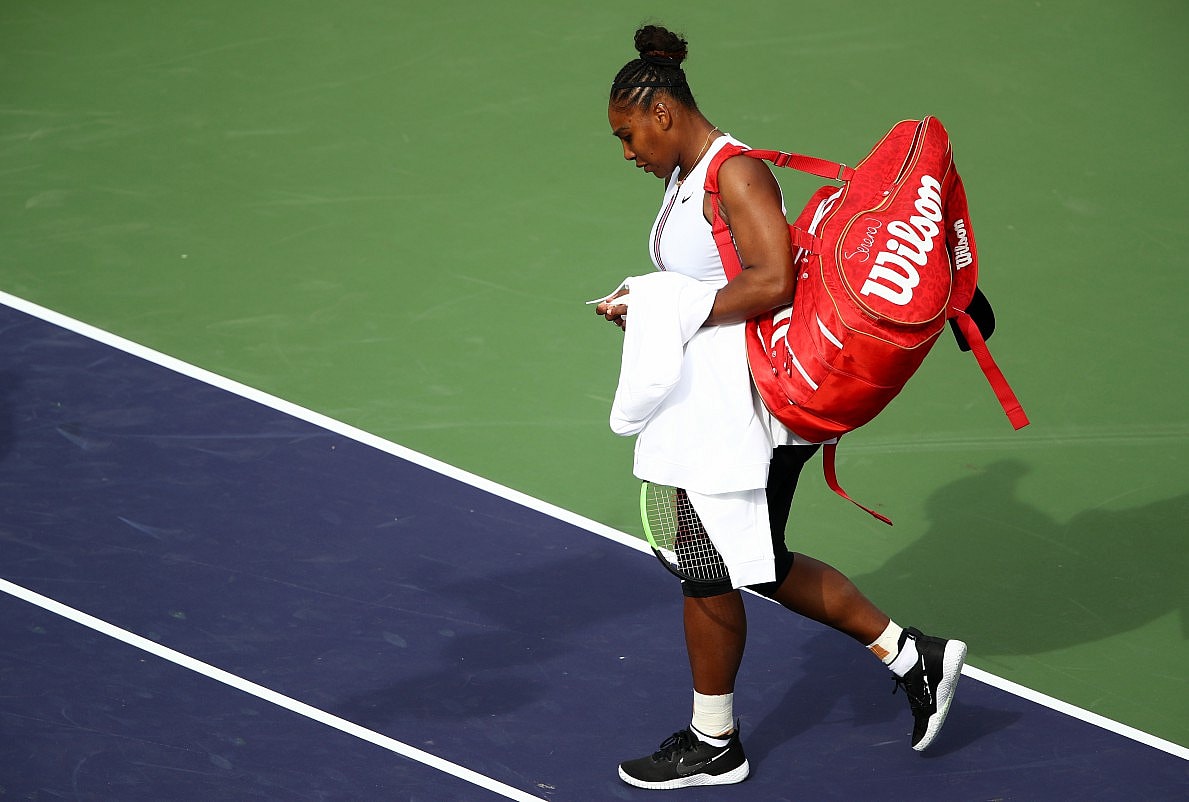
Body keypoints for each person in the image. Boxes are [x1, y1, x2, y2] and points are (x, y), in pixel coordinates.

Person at [594, 25, 968, 790]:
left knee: (718, 568)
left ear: (662, 112)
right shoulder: (688, 178)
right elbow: (711, 284)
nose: (626, 152)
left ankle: (719, 740)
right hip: (721, 404)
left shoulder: (735, 174)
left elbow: (771, 282)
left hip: (759, 407)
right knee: (738, 563)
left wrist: (668, 311)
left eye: (628, 135)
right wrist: (648, 307)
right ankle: (904, 658)